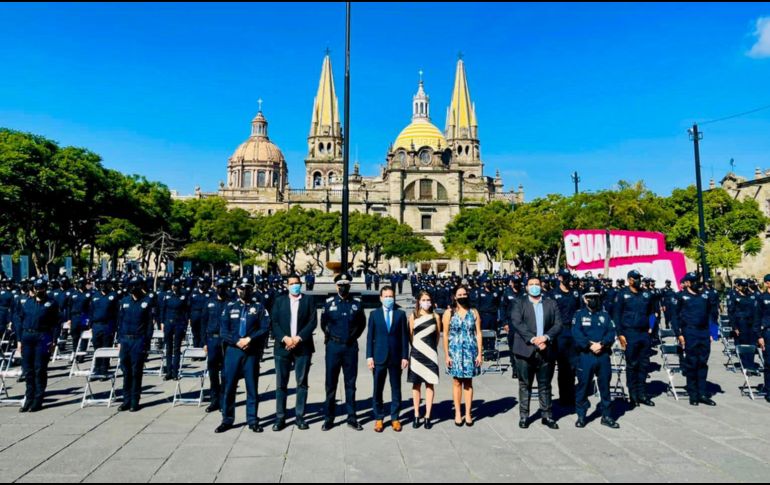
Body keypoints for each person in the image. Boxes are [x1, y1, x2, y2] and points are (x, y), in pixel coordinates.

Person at [216, 277, 271, 433]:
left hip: (251, 351)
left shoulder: (259, 307)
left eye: (247, 288)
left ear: (252, 289)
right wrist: (237, 341)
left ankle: (252, 420)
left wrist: (250, 339)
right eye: (241, 288)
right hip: (233, 351)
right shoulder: (229, 306)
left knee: (252, 387)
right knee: (229, 386)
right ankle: (227, 419)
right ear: (237, 289)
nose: (244, 291)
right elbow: (223, 330)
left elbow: (265, 327)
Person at [511, 276, 562, 429]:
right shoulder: (519, 303)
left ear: (542, 286)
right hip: (525, 350)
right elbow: (517, 323)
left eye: (537, 284)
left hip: (546, 350)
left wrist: (545, 338)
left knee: (545, 385)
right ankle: (524, 416)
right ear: (526, 287)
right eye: (531, 284)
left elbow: (558, 324)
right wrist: (533, 339)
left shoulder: (550, 303)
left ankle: (547, 415)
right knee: (525, 384)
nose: (534, 286)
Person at [271, 274, 317, 431]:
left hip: (302, 347)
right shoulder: (279, 301)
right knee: (281, 384)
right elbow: (274, 322)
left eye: (297, 283)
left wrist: (298, 338)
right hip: (282, 347)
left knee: (301, 383)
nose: (295, 286)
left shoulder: (308, 300)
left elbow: (312, 322)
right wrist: (285, 338)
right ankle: (280, 417)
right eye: (292, 284)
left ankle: (299, 416)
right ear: (287, 285)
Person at [321, 273, 367, 431]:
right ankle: (329, 418)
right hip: (333, 347)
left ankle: (352, 417)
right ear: (336, 286)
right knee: (330, 384)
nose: (343, 287)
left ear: (350, 286)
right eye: (340, 284)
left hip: (350, 347)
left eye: (346, 284)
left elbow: (362, 324)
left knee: (350, 384)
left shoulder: (357, 303)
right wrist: (331, 337)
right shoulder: (329, 303)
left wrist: (353, 337)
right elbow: (324, 323)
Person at [572, 285, 619, 429]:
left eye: (596, 297)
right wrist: (589, 345)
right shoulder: (579, 315)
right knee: (583, 385)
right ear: (585, 299)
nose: (593, 300)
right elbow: (576, 332)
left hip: (603, 355)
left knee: (605, 386)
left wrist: (603, 344)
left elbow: (611, 332)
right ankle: (581, 415)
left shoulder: (604, 315)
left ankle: (606, 415)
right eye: (590, 297)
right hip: (586, 355)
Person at [671, 272, 718, 406]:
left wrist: (712, 333)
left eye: (698, 280)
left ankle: (702, 393)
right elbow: (675, 317)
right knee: (692, 363)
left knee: (703, 362)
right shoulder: (681, 296)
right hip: (689, 332)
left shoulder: (705, 296)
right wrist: (679, 334)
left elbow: (712, 314)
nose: (697, 283)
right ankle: (693, 394)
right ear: (688, 283)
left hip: (703, 332)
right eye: (694, 281)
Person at [366, 286, 409, 432]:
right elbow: (370, 337)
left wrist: (405, 356)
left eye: (391, 296)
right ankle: (378, 418)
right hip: (379, 357)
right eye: (386, 296)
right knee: (378, 389)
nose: (389, 299)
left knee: (396, 388)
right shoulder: (374, 314)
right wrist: (369, 356)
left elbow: (404, 337)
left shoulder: (400, 314)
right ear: (380, 298)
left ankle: (395, 418)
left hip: (396, 358)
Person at [613, 270, 656, 407]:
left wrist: (651, 328)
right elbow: (617, 316)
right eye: (636, 278)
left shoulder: (646, 294)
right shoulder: (622, 294)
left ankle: (643, 394)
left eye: (639, 278)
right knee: (632, 365)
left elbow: (652, 313)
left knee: (644, 364)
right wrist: (620, 334)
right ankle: (633, 395)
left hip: (644, 333)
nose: (638, 281)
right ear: (629, 280)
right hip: (629, 333)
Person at [15, 278, 59, 412]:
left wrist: (54, 341)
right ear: (33, 288)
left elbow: (56, 324)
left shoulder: (51, 303)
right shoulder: (27, 302)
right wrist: (19, 340)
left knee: (39, 369)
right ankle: (29, 399)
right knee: (28, 370)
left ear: (45, 288)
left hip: (43, 337)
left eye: (41, 288)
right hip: (27, 337)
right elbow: (20, 320)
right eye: (37, 288)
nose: (39, 290)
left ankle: (38, 400)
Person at [443, 285, 482, 427]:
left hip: (470, 351)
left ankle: (468, 413)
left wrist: (479, 353)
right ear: (454, 296)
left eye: (464, 294)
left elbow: (478, 333)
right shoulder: (449, 313)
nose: (462, 296)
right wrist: (447, 355)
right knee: (457, 382)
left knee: (468, 382)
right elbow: (445, 334)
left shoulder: (474, 312)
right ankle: (458, 413)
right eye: (459, 294)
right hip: (455, 351)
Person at [116, 276, 155, 412]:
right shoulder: (124, 301)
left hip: (138, 340)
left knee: (136, 371)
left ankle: (134, 401)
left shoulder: (146, 302)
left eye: (136, 285)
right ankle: (125, 400)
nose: (134, 288)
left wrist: (147, 343)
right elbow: (120, 322)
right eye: (131, 285)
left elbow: (149, 325)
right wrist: (119, 340)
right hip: (125, 340)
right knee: (125, 371)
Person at [408, 290, 441, 429]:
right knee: (416, 385)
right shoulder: (413, 316)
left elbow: (438, 336)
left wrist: (430, 349)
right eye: (423, 300)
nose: (426, 302)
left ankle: (427, 415)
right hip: (416, 353)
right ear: (419, 301)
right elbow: (410, 335)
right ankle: (416, 413)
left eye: (428, 300)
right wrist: (417, 347)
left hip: (430, 353)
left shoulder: (435, 316)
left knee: (430, 384)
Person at [549, 269, 581, 407]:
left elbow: (580, 311)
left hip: (573, 331)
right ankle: (564, 397)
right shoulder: (553, 294)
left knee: (573, 366)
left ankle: (571, 395)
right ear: (560, 278)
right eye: (565, 277)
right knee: (563, 366)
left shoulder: (575, 293)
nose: (569, 280)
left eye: (570, 277)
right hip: (559, 332)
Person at [202, 278, 231, 414]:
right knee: (213, 372)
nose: (220, 289)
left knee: (226, 372)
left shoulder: (231, 303)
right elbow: (204, 322)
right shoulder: (209, 303)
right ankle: (214, 400)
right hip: (212, 340)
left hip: (226, 341)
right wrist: (204, 342)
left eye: (223, 287)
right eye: (218, 287)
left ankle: (224, 400)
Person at [160, 279, 190, 380]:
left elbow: (186, 311)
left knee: (176, 348)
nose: (174, 287)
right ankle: (168, 372)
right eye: (173, 285)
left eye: (176, 285)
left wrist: (185, 325)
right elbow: (163, 309)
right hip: (168, 323)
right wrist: (162, 322)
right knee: (168, 348)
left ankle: (175, 372)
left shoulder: (183, 296)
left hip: (179, 323)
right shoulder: (167, 295)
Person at [89, 279, 119, 378]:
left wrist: (115, 327)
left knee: (106, 347)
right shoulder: (95, 296)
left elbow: (117, 312)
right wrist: (90, 325)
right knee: (97, 347)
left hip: (108, 325)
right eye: (101, 284)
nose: (103, 286)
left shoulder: (113, 296)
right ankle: (97, 368)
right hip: (96, 325)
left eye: (105, 284)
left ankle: (104, 368)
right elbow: (91, 311)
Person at [755, 274, 770, 403]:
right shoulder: (761, 298)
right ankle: (769, 390)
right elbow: (757, 318)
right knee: (769, 363)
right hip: (767, 333)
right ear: (767, 283)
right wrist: (759, 336)